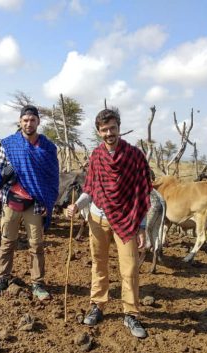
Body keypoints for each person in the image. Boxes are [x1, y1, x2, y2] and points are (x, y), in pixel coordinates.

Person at [67, 108, 152, 338]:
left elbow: (141, 193)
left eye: (112, 128)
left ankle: (131, 314)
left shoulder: (134, 156)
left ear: (119, 128)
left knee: (130, 267)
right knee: (99, 263)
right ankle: (98, 304)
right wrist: (78, 206)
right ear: (98, 131)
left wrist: (142, 226)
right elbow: (90, 190)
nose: (108, 133)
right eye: (104, 130)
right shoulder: (96, 156)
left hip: (126, 220)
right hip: (97, 218)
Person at [0, 105, 59, 301]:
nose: (28, 123)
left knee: (36, 245)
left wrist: (48, 201)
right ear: (20, 122)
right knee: (7, 242)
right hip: (11, 201)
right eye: (25, 120)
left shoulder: (48, 148)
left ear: (38, 122)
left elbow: (53, 178)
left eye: (32, 120)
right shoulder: (10, 144)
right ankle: (2, 278)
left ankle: (38, 283)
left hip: (35, 203)